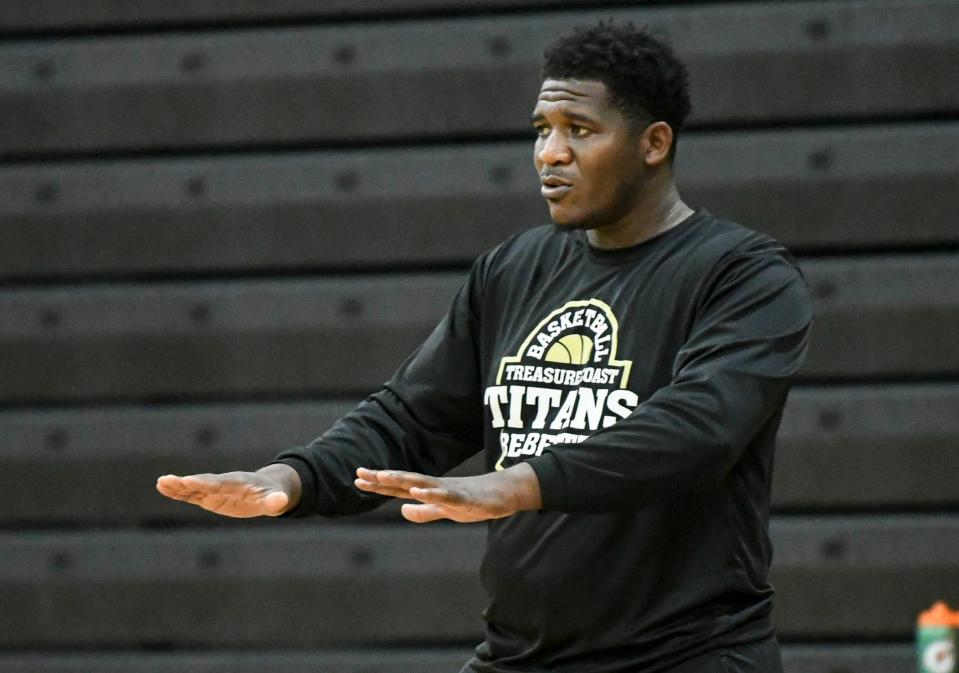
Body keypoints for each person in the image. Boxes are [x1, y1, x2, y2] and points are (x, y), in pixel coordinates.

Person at [157, 20, 812, 673]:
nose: (550, 153)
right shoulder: (513, 269)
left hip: (682, 656)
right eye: (541, 129)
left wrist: (515, 485)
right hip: (521, 656)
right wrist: (291, 476)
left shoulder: (742, 275)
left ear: (653, 143)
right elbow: (411, 418)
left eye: (579, 130)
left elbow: (695, 430)